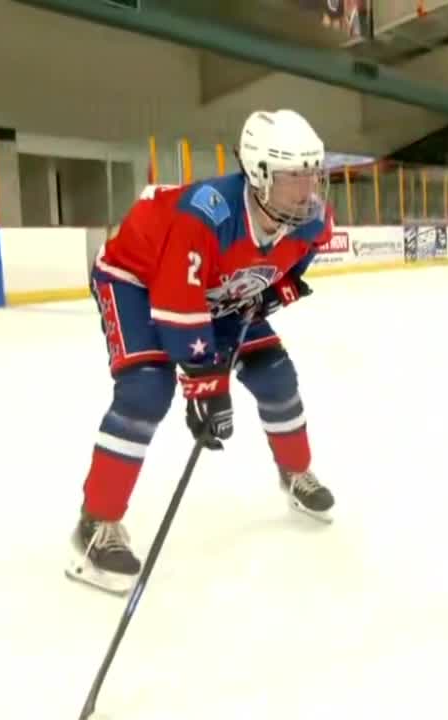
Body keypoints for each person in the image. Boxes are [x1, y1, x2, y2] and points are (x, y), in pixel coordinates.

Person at [67, 109, 337, 595]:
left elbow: (294, 266)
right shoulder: (205, 214)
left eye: (312, 174)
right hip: (139, 282)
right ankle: (96, 526)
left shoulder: (310, 217)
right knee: (146, 390)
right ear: (258, 175)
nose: (307, 188)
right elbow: (175, 303)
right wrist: (206, 386)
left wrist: (282, 290)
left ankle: (296, 474)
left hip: (214, 292)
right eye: (293, 177)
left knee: (275, 375)